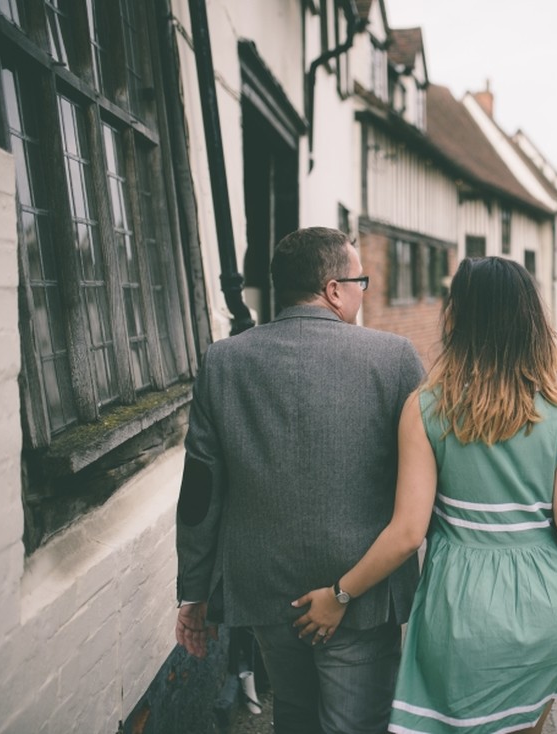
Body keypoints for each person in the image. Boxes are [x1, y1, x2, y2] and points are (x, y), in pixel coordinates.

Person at [292, 256, 557, 734]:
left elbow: (408, 531)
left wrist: (340, 593)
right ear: (532, 321)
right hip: (550, 613)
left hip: (462, 615)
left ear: (458, 317)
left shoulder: (427, 409)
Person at [174, 227, 425, 734]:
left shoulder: (223, 361)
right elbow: (422, 484)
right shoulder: (395, 359)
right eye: (361, 281)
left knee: (292, 715)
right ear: (334, 289)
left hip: (266, 592)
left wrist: (193, 593)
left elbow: (201, 491)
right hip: (362, 594)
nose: (362, 291)